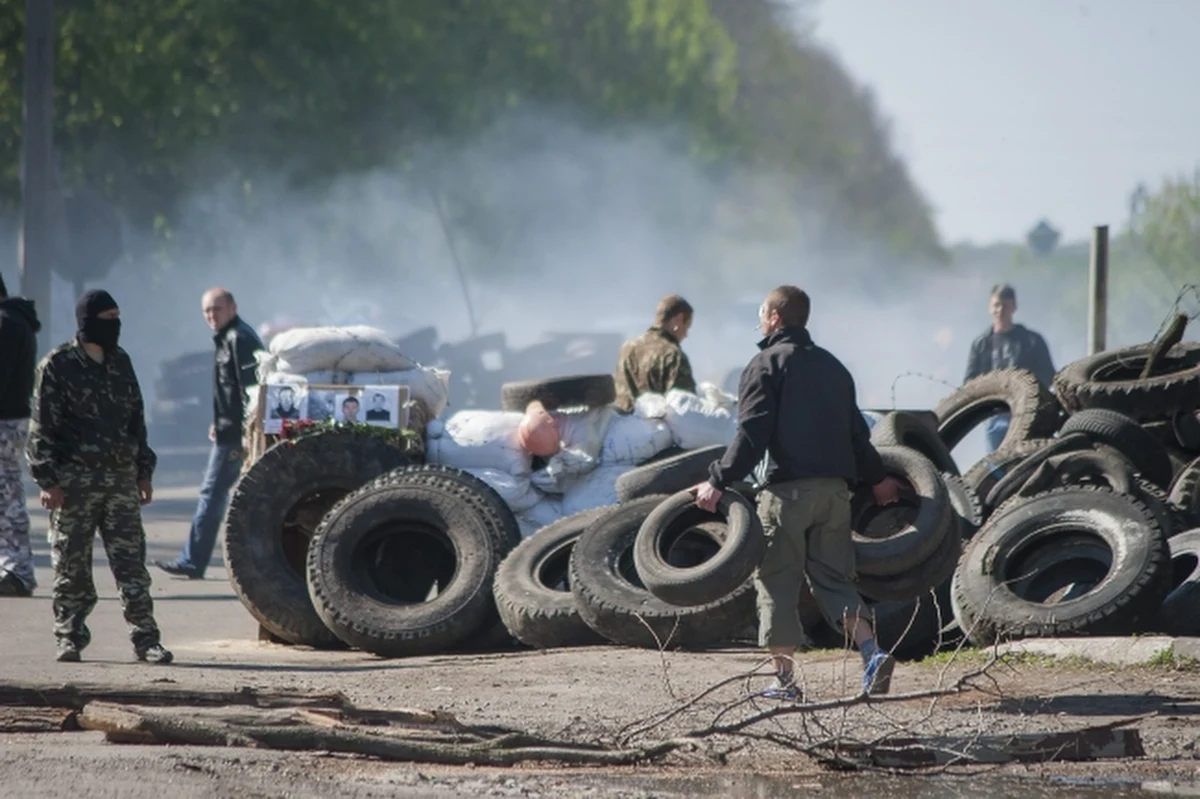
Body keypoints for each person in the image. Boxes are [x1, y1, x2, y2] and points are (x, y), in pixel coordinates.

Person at [694, 285, 903, 701]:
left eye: (762, 314)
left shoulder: (764, 365)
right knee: (835, 579)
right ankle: (871, 651)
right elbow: (857, 434)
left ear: (774, 317)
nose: (760, 321)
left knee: (776, 582)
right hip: (835, 495)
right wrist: (877, 479)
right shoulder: (833, 367)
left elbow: (752, 435)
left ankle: (785, 682)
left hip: (786, 493)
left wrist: (717, 480)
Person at [26, 290, 172, 664]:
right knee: (71, 565)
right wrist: (48, 481)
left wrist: (143, 472)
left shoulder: (121, 363)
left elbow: (136, 423)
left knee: (131, 566)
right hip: (75, 486)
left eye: (117, 318)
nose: (116, 326)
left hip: (120, 483)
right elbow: (41, 429)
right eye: (109, 318)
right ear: (88, 323)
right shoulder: (58, 365)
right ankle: (69, 636)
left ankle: (146, 639)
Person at [155, 288, 263, 580]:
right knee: (225, 494)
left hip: (235, 438)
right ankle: (198, 559)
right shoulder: (228, 338)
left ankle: (193, 560)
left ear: (232, 307)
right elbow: (229, 392)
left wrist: (243, 431)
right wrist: (220, 421)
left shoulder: (239, 338)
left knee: (212, 493)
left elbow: (250, 392)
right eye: (207, 311)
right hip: (229, 432)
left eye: (217, 309)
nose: (211, 316)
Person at [964, 284, 1056, 452]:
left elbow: (1048, 374)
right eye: (996, 305)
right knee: (995, 463)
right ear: (990, 307)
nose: (1000, 310)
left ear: (1013, 307)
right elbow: (970, 380)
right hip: (994, 414)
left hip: (1027, 412)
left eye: (1004, 306)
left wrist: (1029, 396)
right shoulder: (981, 344)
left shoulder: (1032, 341)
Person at [0, 273, 41, 597]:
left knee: (8, 496)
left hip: (5, 420)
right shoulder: (16, 320)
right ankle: (14, 567)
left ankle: (17, 570)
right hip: (14, 418)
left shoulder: (6, 322)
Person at [612, 294, 697, 412]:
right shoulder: (673, 356)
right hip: (656, 428)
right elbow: (686, 409)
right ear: (677, 320)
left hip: (619, 427)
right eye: (686, 326)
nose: (686, 334)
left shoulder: (627, 348)